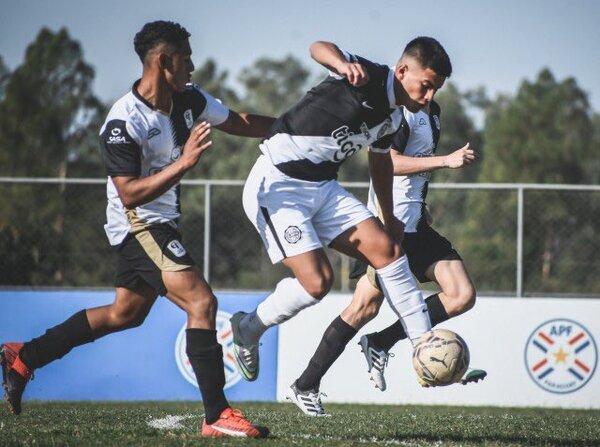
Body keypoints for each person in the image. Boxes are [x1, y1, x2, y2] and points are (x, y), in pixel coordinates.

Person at [0, 21, 274, 438]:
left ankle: (24, 356)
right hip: (139, 222)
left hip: (159, 223)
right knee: (202, 301)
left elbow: (237, 120)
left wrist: (293, 126)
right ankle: (216, 414)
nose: (192, 65)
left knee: (123, 313)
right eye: (185, 58)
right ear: (163, 61)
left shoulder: (188, 99)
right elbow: (128, 194)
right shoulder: (122, 122)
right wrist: (184, 163)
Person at [230, 38, 451, 401]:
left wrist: (389, 218)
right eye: (425, 85)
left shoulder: (394, 117)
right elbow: (317, 47)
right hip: (279, 184)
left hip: (322, 188)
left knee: (389, 250)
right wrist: (340, 63)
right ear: (402, 71)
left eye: (435, 90)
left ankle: (424, 345)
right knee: (318, 283)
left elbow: (379, 164)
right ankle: (248, 328)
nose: (428, 97)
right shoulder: (368, 78)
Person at [288, 100, 487, 416]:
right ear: (409, 72)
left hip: (417, 226)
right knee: (362, 308)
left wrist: (420, 205)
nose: (430, 90)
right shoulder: (398, 114)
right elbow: (388, 162)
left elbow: (412, 173)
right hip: (388, 229)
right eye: (427, 82)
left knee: (462, 294)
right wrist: (446, 161)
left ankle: (379, 342)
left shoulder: (434, 112)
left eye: (437, 85)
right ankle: (306, 384)